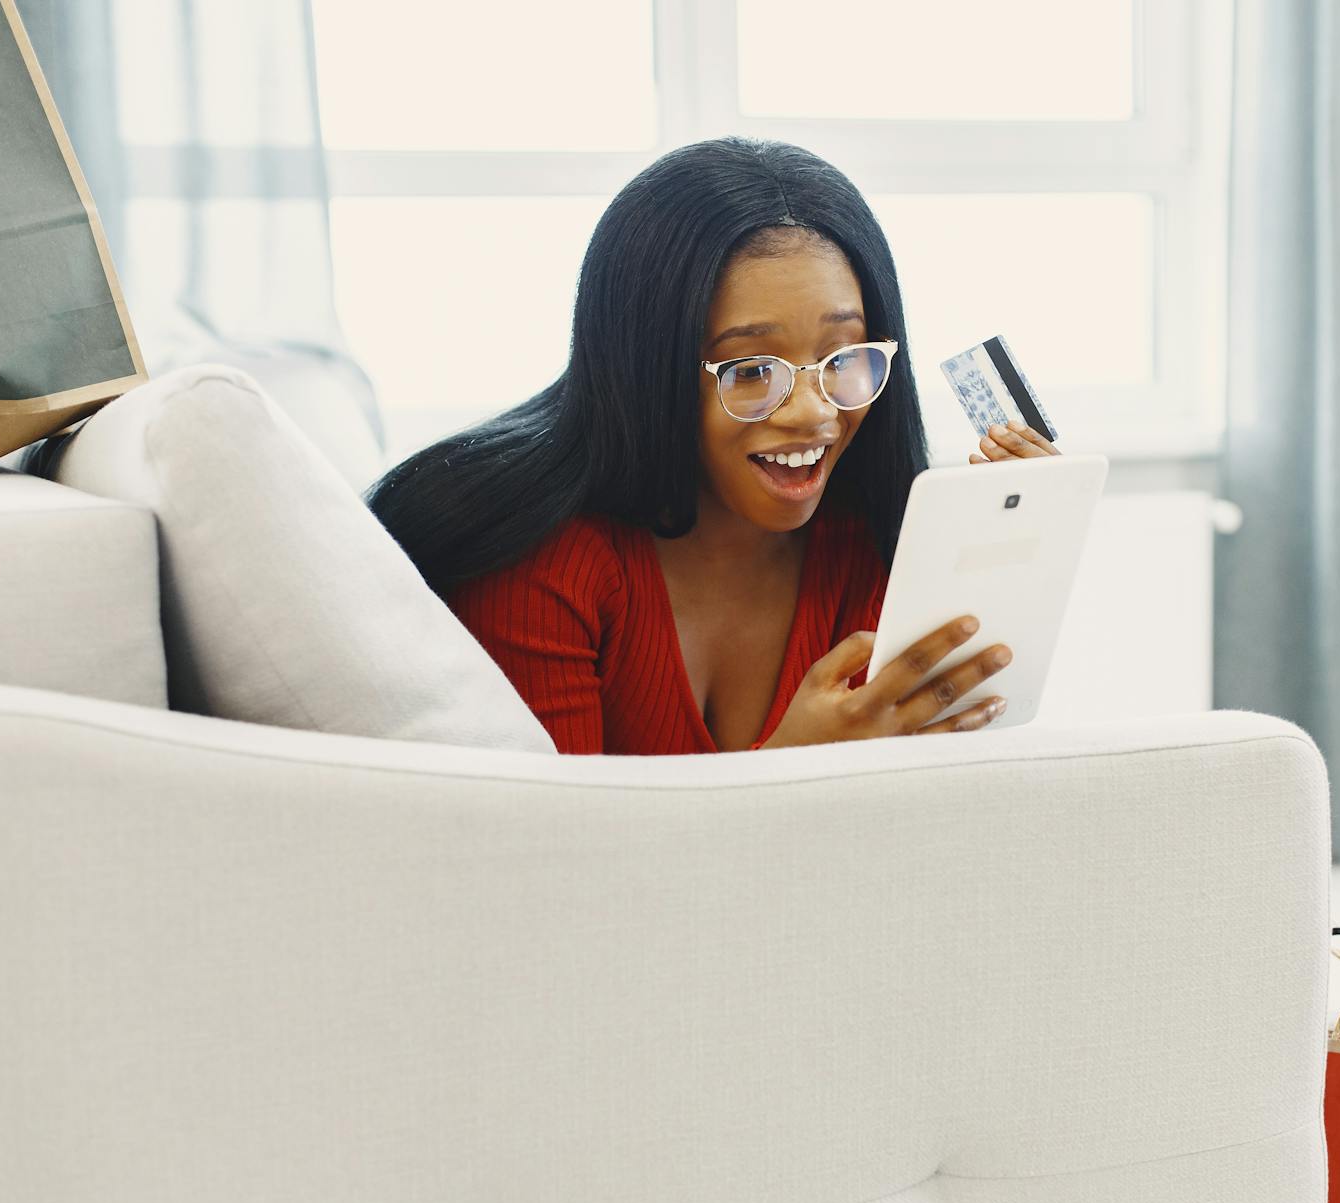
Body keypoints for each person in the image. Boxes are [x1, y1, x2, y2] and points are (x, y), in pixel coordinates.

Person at [364, 136, 1059, 754]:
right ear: (648, 370)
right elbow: (564, 876)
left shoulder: (871, 544)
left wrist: (992, 574)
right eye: (752, 370)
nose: (814, 413)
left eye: (843, 359)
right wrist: (789, 774)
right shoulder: (542, 568)